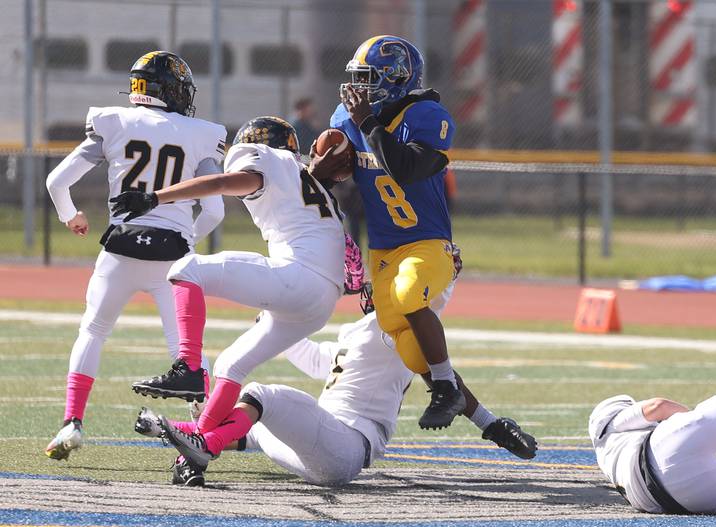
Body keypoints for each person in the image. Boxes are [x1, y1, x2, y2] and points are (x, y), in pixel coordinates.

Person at [136, 258, 538, 487]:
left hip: (345, 447)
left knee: (261, 394)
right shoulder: (362, 331)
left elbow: (441, 376)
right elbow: (315, 360)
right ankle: (183, 436)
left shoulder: (393, 328)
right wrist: (276, 317)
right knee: (252, 419)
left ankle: (203, 449)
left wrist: (490, 423)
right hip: (322, 449)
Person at [110, 116, 353, 465]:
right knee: (230, 364)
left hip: (299, 276)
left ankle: (189, 368)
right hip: (320, 300)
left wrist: (156, 198)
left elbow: (228, 182)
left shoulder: (267, 159)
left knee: (185, 269)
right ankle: (201, 446)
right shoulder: (302, 175)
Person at [43, 50, 225, 460]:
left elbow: (57, 181)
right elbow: (214, 209)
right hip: (172, 257)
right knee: (186, 349)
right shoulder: (199, 133)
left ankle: (71, 422)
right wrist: (187, 239)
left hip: (120, 248)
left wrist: (71, 216)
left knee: (92, 331)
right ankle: (206, 427)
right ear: (172, 91)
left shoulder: (114, 122)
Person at [331, 35, 465, 430]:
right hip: (384, 250)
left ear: (396, 78)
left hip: (428, 242)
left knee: (409, 295)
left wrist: (367, 122)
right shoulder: (345, 119)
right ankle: (460, 398)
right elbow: (340, 177)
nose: (358, 90)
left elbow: (405, 168)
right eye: (356, 78)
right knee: (401, 337)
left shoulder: (426, 115)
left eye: (368, 78)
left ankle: (444, 387)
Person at [589, 385, 716, 515]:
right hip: (660, 451)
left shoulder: (608, 460)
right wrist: (697, 422)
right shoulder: (610, 424)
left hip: (676, 501)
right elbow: (657, 407)